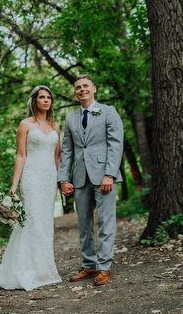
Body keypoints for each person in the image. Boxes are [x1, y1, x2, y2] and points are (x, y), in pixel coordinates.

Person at [0, 86, 62, 291]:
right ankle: (26, 269)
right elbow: (21, 155)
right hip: (31, 177)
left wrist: (62, 181)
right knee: (31, 220)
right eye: (42, 97)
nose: (46, 100)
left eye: (49, 98)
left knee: (45, 222)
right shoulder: (25, 124)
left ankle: (44, 269)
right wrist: (14, 183)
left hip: (49, 180)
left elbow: (57, 156)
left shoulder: (55, 126)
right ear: (35, 100)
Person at [57, 74, 123, 286]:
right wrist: (63, 179)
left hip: (104, 176)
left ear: (94, 89)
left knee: (105, 223)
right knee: (84, 224)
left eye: (85, 86)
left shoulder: (108, 112)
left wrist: (110, 174)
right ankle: (89, 265)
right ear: (75, 92)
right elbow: (67, 150)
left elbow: (116, 143)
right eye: (78, 87)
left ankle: (104, 267)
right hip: (80, 178)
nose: (82, 89)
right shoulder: (70, 119)